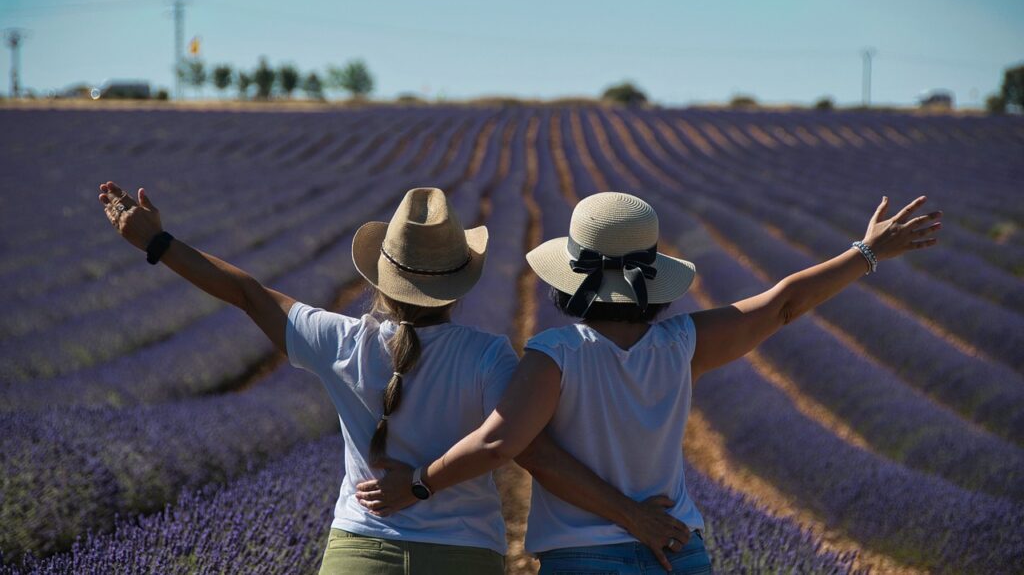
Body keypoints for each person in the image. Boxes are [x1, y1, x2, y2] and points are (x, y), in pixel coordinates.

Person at [97, 182, 691, 574]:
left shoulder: (339, 341)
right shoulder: (490, 356)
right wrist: (629, 509)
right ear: (460, 279)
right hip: (465, 557)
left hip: (361, 551)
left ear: (380, 276)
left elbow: (248, 293)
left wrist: (156, 242)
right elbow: (520, 446)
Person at [355, 191, 942, 574]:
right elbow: (784, 303)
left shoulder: (554, 354)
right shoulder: (682, 343)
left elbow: (502, 444)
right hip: (679, 551)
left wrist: (421, 486)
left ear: (568, 275)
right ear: (653, 278)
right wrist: (867, 252)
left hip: (584, 558)